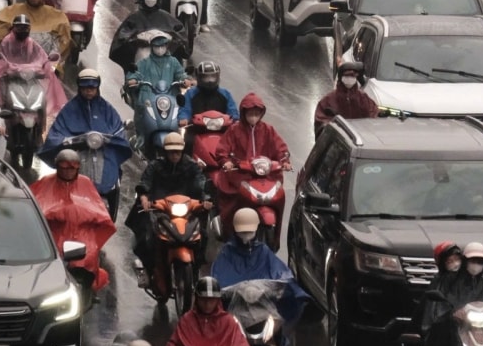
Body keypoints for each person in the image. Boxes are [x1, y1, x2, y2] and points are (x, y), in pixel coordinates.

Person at [29, 148, 118, 290]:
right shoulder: (46, 182)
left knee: (89, 257)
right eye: (64, 167)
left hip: (82, 234)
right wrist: (56, 213)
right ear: (58, 167)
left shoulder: (85, 182)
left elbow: (98, 209)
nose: (68, 172)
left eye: (72, 168)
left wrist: (79, 213)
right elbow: (33, 207)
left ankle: (86, 289)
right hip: (54, 234)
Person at [128, 132, 209, 284]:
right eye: (171, 152)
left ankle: (196, 268)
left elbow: (201, 184)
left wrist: (206, 199)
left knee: (202, 235)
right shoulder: (155, 165)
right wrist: (144, 197)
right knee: (147, 237)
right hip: (160, 211)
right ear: (165, 151)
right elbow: (145, 182)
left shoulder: (192, 166)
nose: (174, 155)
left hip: (187, 210)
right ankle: (147, 269)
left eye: (177, 152)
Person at [210, 207, 310, 324]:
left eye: (249, 231)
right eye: (243, 232)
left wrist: (293, 289)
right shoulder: (227, 253)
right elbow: (217, 281)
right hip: (234, 314)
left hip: (264, 310)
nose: (246, 235)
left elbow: (281, 274)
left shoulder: (263, 251)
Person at [420, 241, 483, 346]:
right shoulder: (449, 280)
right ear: (465, 260)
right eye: (473, 260)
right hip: (454, 331)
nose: (476, 265)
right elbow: (439, 309)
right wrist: (453, 314)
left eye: (480, 262)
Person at [45, 67, 126, 170]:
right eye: (84, 88)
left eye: (92, 88)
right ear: (79, 88)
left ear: (97, 88)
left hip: (103, 155)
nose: (88, 91)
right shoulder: (69, 109)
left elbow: (118, 129)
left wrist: (112, 141)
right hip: (75, 156)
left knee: (116, 169)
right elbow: (56, 132)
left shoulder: (107, 109)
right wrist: (67, 141)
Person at [110, 0, 188, 71]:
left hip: (164, 52)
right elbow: (123, 34)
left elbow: (179, 31)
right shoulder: (134, 17)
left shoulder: (166, 17)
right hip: (140, 54)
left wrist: (175, 40)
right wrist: (132, 41)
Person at [0, 0, 72, 56]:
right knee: (1, 72)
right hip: (17, 53)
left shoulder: (56, 13)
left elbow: (64, 37)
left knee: (55, 71)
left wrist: (56, 53)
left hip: (47, 56)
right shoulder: (11, 11)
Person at [217, 93, 291, 171]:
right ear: (244, 113)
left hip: (264, 171)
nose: (253, 117)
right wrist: (226, 161)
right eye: (250, 114)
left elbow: (280, 147)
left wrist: (285, 161)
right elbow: (223, 148)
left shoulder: (268, 130)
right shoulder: (234, 129)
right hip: (240, 172)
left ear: (261, 114)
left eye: (256, 114)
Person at [313, 60, 378, 136]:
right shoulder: (328, 100)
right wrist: (331, 126)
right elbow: (320, 121)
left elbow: (373, 114)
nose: (349, 79)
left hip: (361, 138)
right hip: (339, 139)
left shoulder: (363, 98)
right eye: (347, 76)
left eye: (352, 76)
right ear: (341, 78)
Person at [131, 33, 191, 105]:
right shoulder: (144, 62)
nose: (160, 49)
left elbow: (180, 74)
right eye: (157, 46)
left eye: (162, 46)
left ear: (166, 46)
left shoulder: (173, 61)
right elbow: (135, 74)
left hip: (169, 99)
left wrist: (184, 80)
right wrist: (133, 80)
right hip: (149, 101)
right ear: (152, 47)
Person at [178, 60, 239, 127]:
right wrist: (183, 118)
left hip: (222, 132)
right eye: (206, 77)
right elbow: (185, 109)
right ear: (199, 77)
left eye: (212, 77)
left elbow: (232, 111)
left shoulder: (225, 94)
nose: (209, 81)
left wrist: (235, 119)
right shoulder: (190, 94)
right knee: (174, 137)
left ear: (217, 76)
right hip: (195, 131)